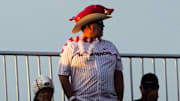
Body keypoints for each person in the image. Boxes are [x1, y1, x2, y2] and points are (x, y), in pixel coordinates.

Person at [58, 4, 124, 101]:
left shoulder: (111, 47)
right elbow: (62, 74)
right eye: (100, 22)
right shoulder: (72, 46)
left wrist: (119, 99)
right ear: (88, 25)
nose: (103, 26)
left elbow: (118, 74)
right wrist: (72, 98)